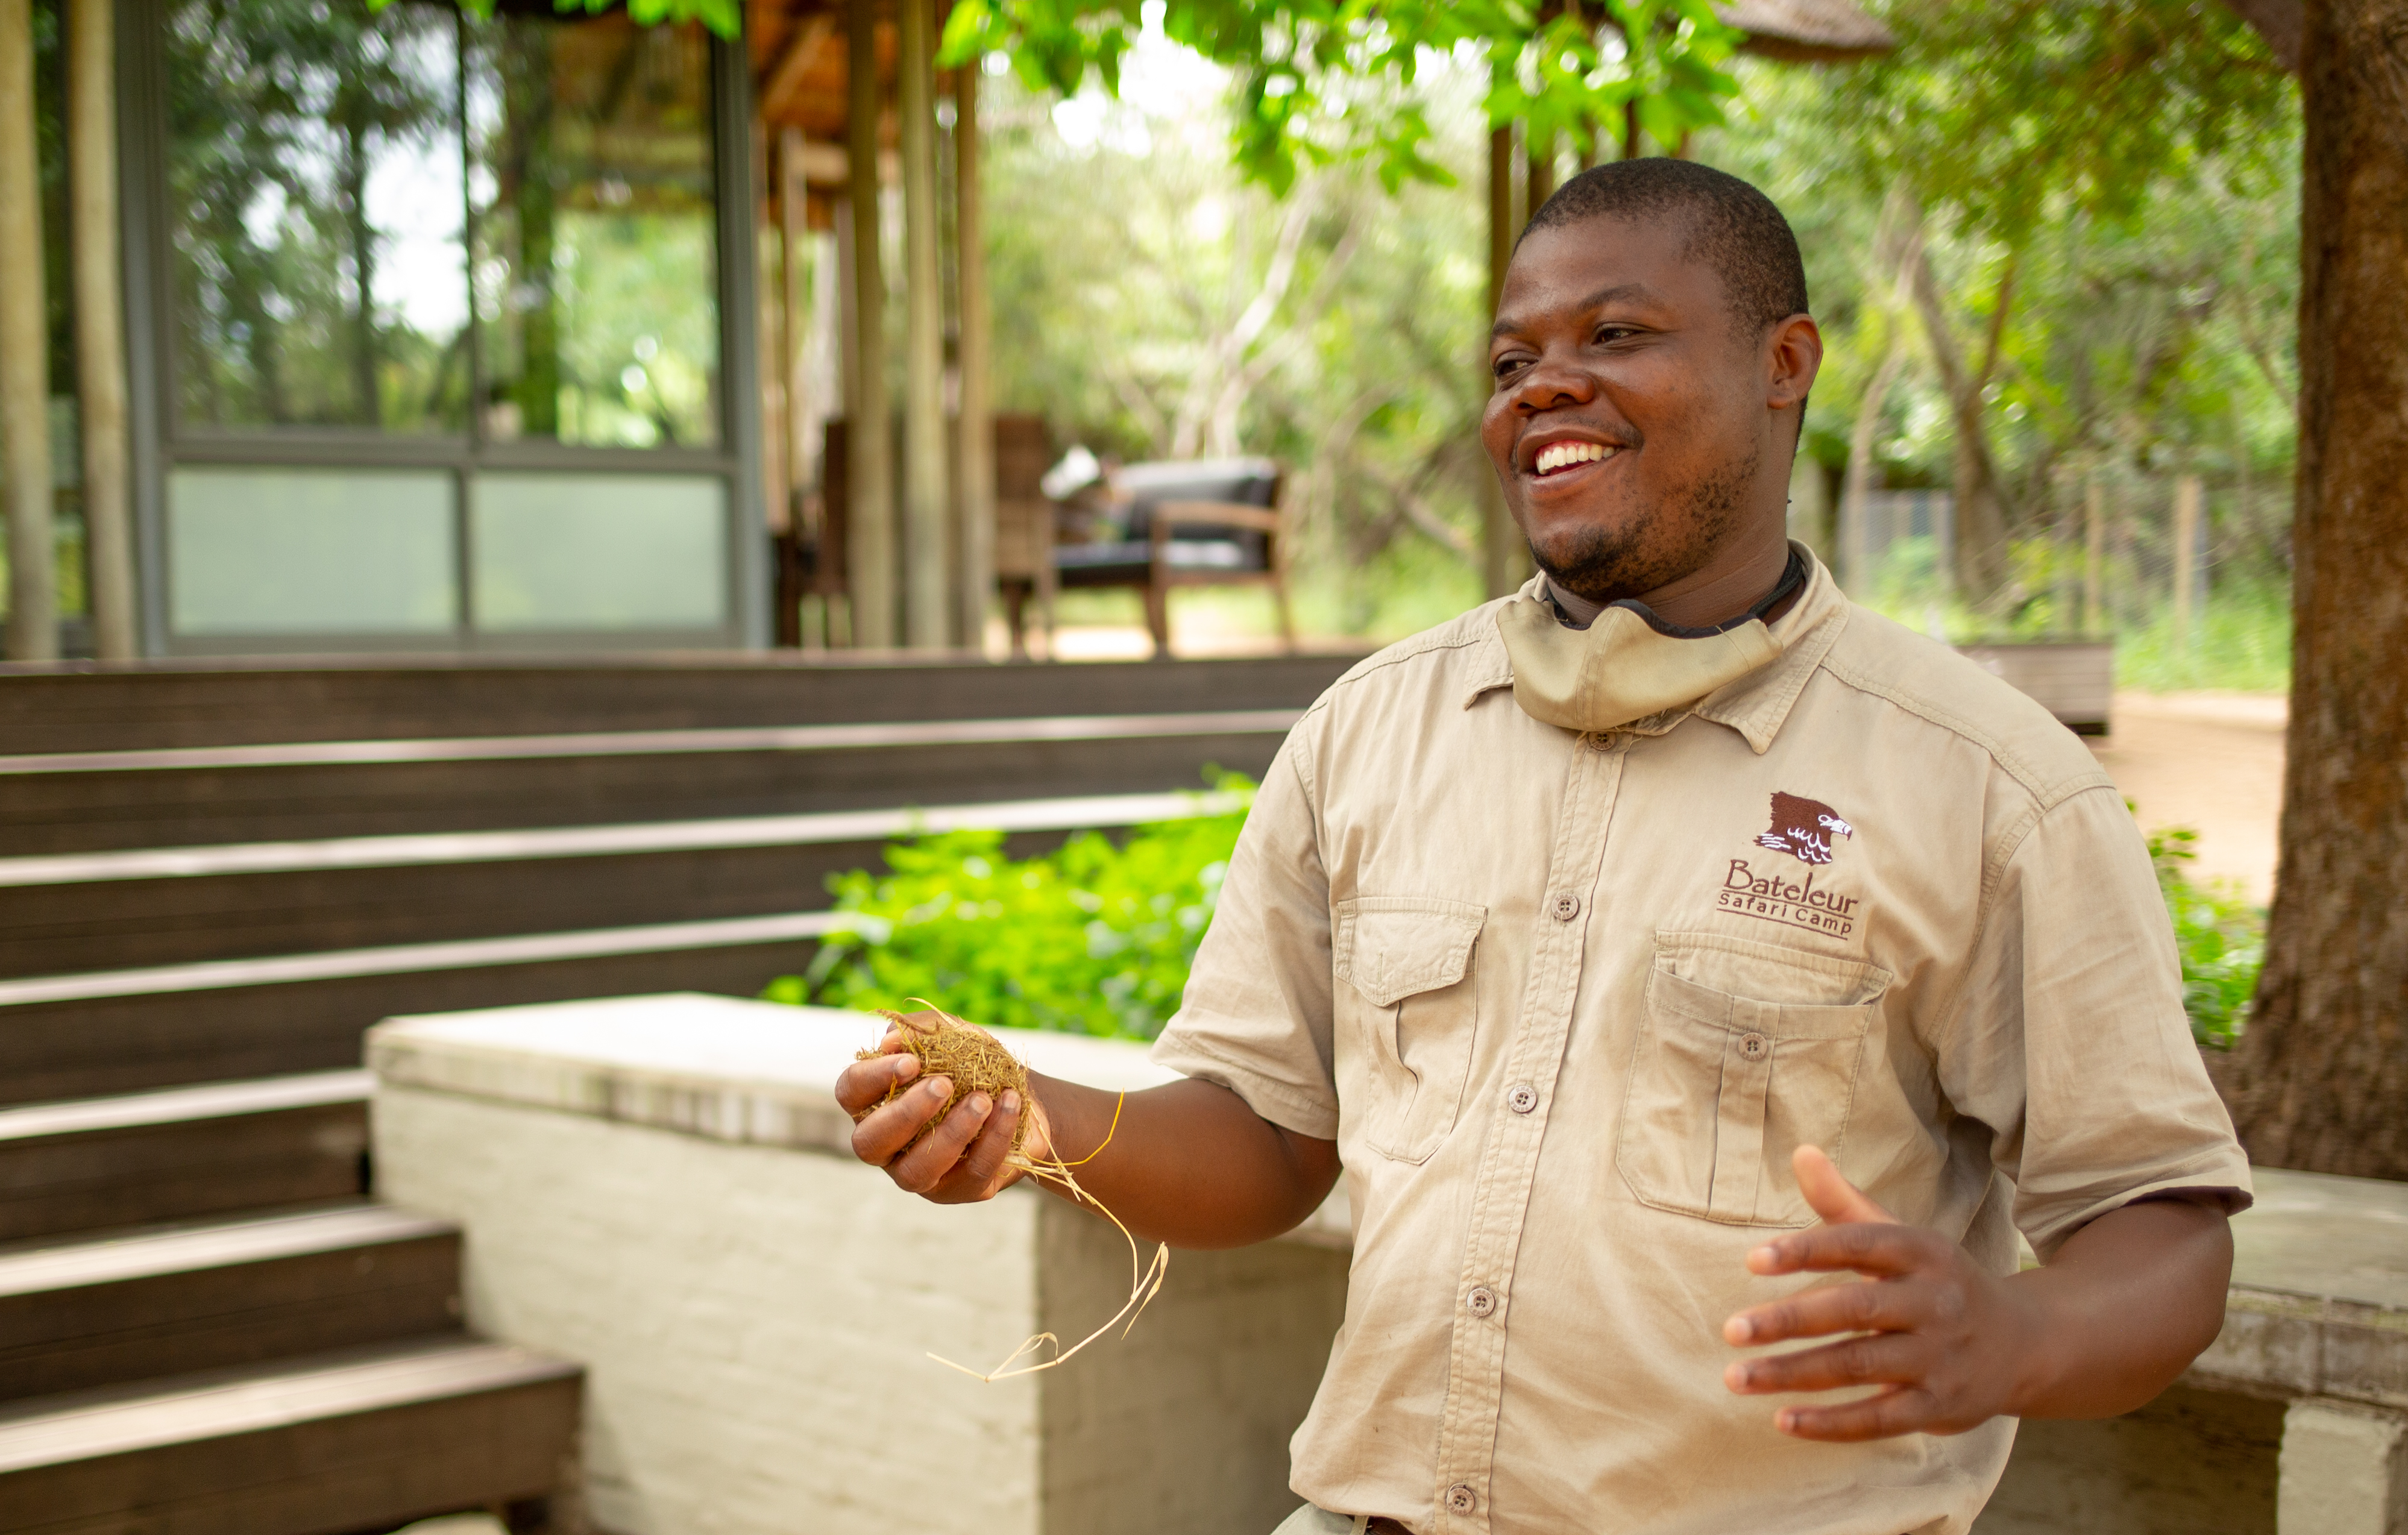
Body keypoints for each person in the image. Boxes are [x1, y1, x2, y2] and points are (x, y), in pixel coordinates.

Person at [834, 159, 2249, 1535]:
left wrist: (2016, 1330)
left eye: (1616, 334)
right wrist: (1033, 1119)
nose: (1543, 387)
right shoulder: (1370, 733)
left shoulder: (1987, 786)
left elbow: (2164, 1229)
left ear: (1786, 362)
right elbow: (1270, 1137)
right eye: (1512, 361)